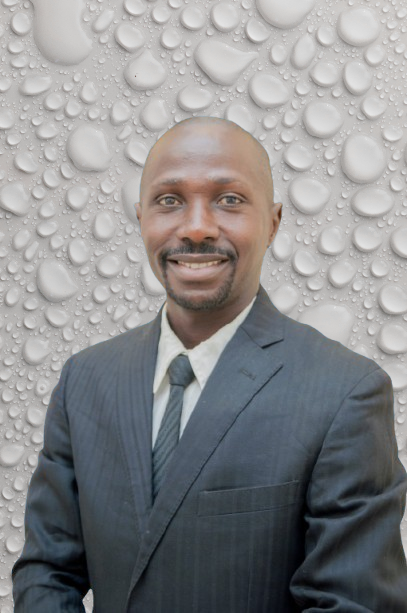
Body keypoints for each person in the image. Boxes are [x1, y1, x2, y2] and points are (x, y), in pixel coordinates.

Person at [12, 116, 407, 612]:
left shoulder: (345, 393)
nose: (196, 227)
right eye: (169, 200)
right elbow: (47, 570)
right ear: (141, 218)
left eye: (229, 199)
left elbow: (352, 603)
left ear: (273, 223)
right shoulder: (85, 380)